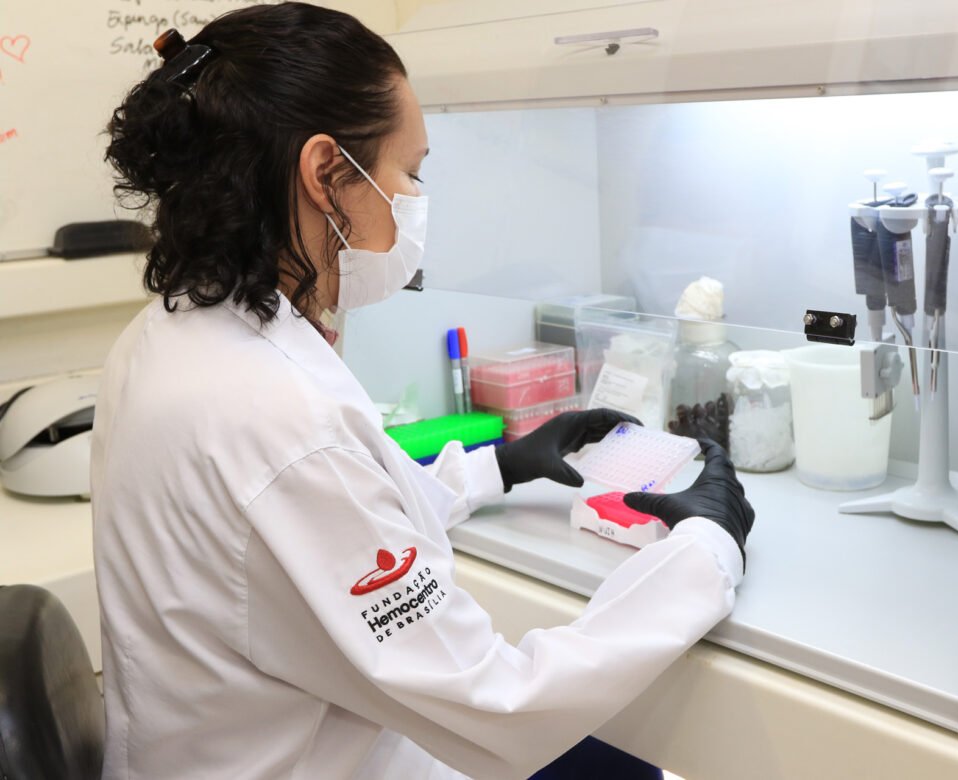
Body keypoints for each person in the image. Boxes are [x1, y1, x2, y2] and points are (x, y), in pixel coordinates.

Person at [93, 3, 756, 778]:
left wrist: (495, 467)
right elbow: (505, 707)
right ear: (326, 174)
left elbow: (317, 529)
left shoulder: (167, 338)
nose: (414, 199)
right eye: (410, 172)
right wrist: (706, 550)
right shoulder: (276, 421)